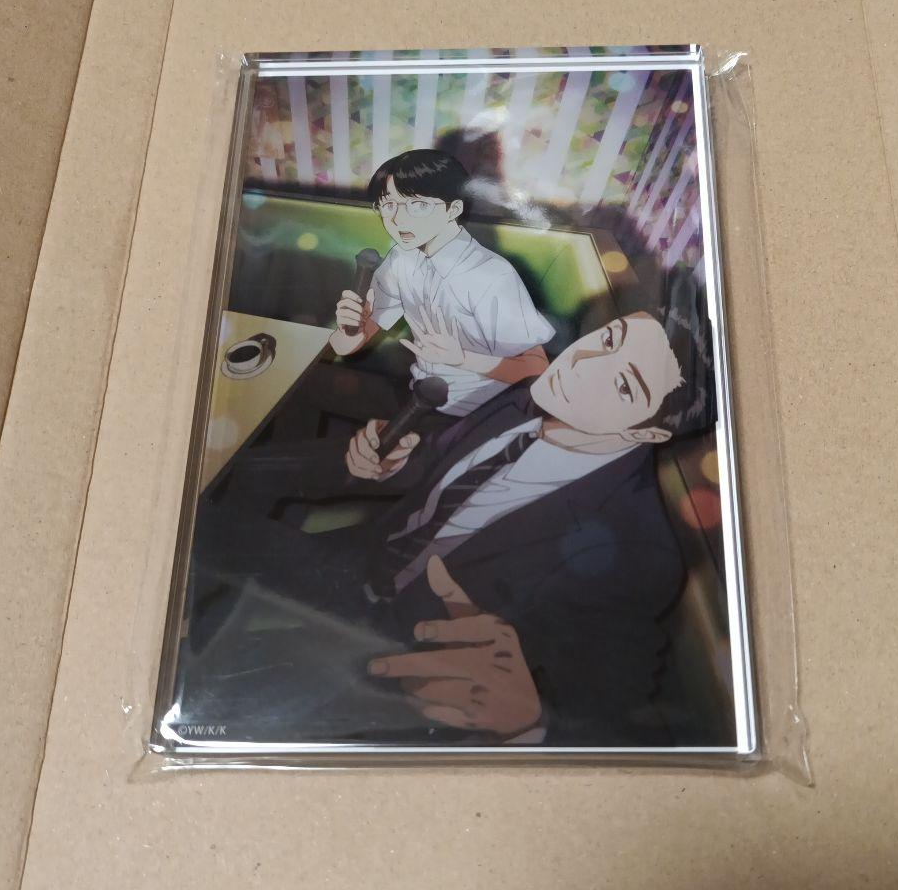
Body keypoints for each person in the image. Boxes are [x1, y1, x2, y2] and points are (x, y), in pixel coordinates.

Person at [180, 288, 716, 747]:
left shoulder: (639, 549)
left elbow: (613, 709)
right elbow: (440, 454)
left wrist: (530, 721)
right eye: (607, 339)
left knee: (216, 707)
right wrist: (389, 461)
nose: (582, 363)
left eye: (623, 385)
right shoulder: (527, 396)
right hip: (356, 561)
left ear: (648, 433)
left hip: (401, 658)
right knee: (183, 533)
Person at [328, 149, 555, 417]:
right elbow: (342, 346)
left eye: (418, 205)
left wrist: (462, 359)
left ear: (453, 209)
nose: (398, 219)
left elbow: (537, 368)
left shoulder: (493, 275)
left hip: (479, 413)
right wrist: (351, 327)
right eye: (388, 206)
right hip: (417, 398)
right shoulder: (402, 258)